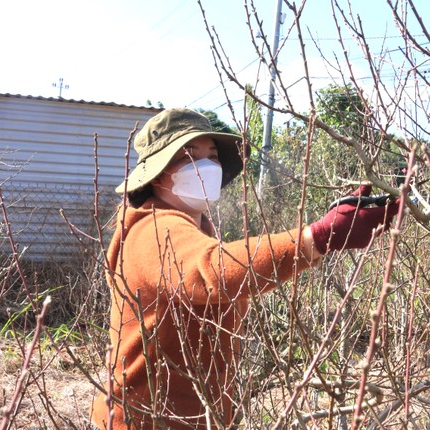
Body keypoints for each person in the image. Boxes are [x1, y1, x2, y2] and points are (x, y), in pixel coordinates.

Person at [91, 108, 399, 429]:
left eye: (212, 156)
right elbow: (213, 271)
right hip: (146, 421)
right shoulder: (153, 229)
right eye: (189, 156)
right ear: (156, 175)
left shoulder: (195, 231)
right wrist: (315, 239)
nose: (207, 166)